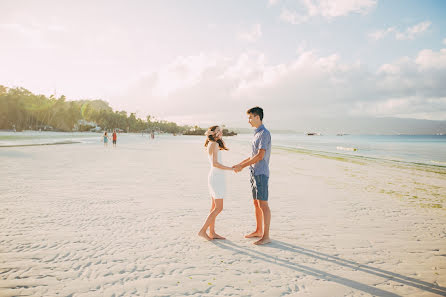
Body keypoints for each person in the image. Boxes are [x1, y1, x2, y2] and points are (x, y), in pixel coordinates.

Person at [233, 107, 272, 245]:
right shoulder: (256, 134)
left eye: (250, 118)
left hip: (261, 173)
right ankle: (258, 230)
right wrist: (240, 164)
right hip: (253, 172)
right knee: (256, 203)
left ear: (257, 117)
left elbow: (260, 156)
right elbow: (253, 155)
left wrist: (242, 166)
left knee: (263, 204)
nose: (248, 121)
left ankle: (266, 236)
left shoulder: (264, 134)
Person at [198, 126, 234, 241]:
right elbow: (215, 163)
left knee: (214, 207)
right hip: (217, 177)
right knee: (218, 207)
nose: (221, 132)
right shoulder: (214, 144)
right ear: (213, 133)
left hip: (214, 176)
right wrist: (231, 168)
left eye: (221, 130)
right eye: (218, 130)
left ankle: (212, 232)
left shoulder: (212, 143)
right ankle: (203, 231)